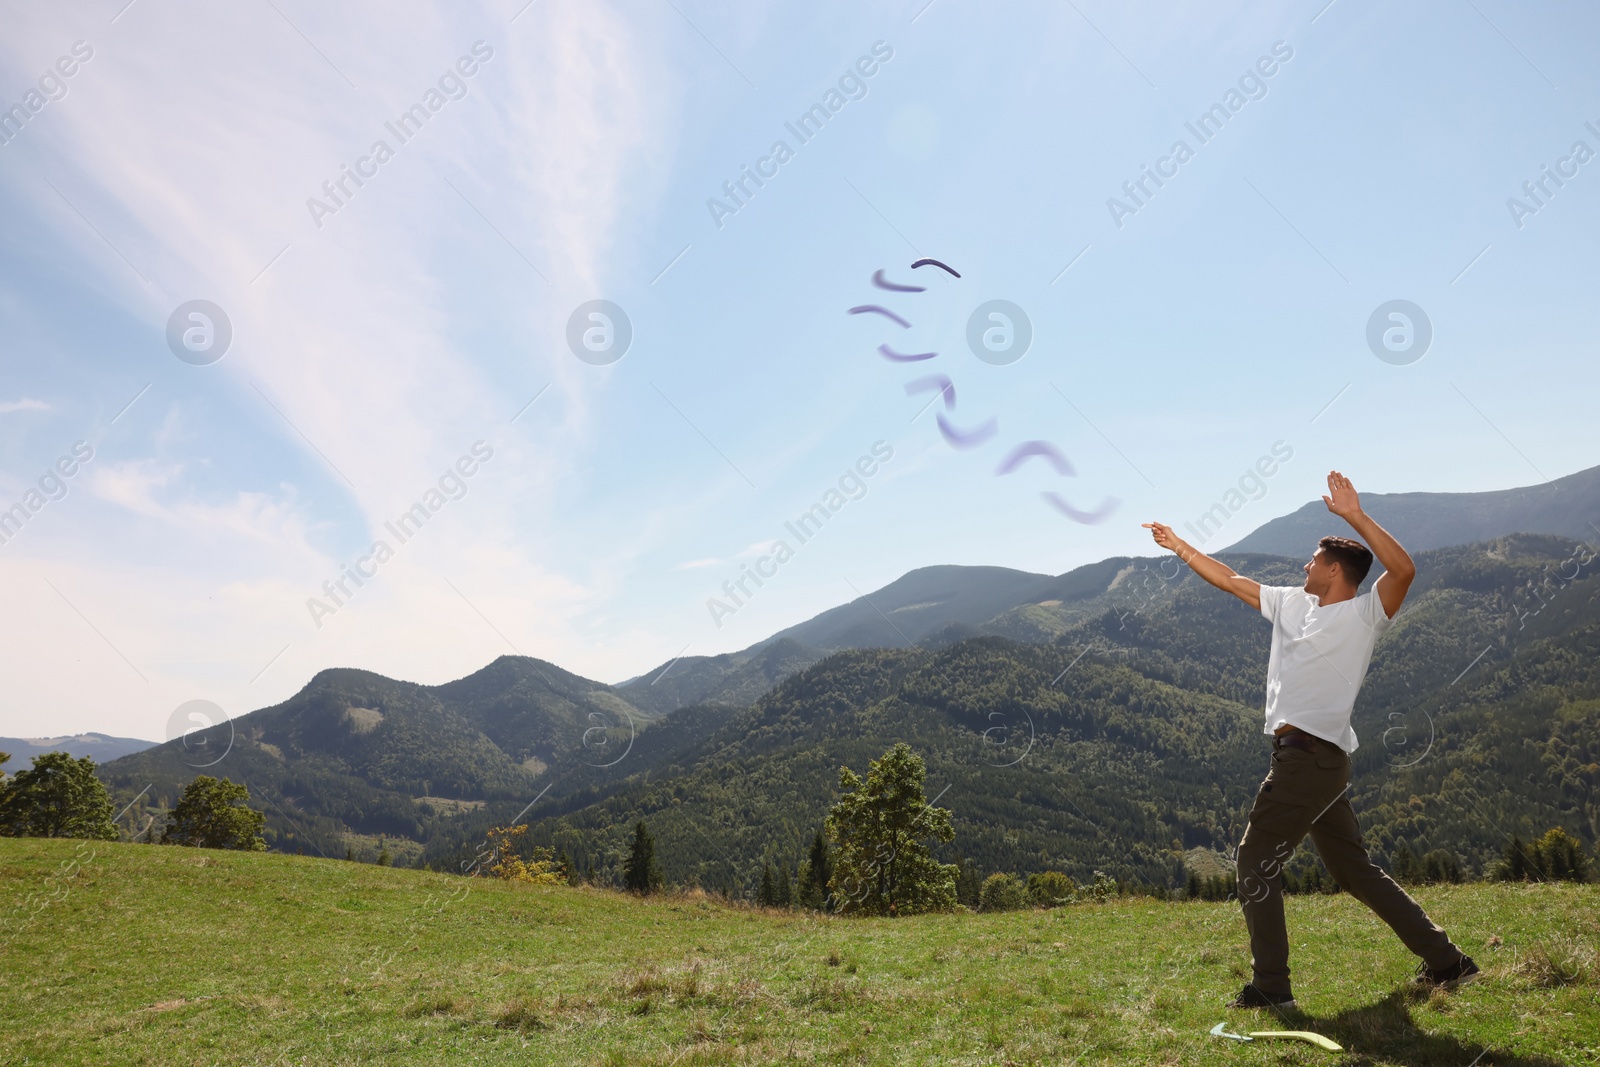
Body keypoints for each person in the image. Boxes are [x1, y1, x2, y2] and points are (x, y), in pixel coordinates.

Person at [1143, 470, 1477, 1011]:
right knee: (1353, 871)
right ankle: (1448, 962)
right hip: (1314, 760)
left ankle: (1271, 988)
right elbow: (1229, 580)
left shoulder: (1366, 614)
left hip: (1310, 761)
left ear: (1338, 571)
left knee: (1254, 862)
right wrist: (1180, 545)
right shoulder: (1292, 603)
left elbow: (1405, 569)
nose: (1305, 567)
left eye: (1315, 561)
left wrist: (1353, 516)